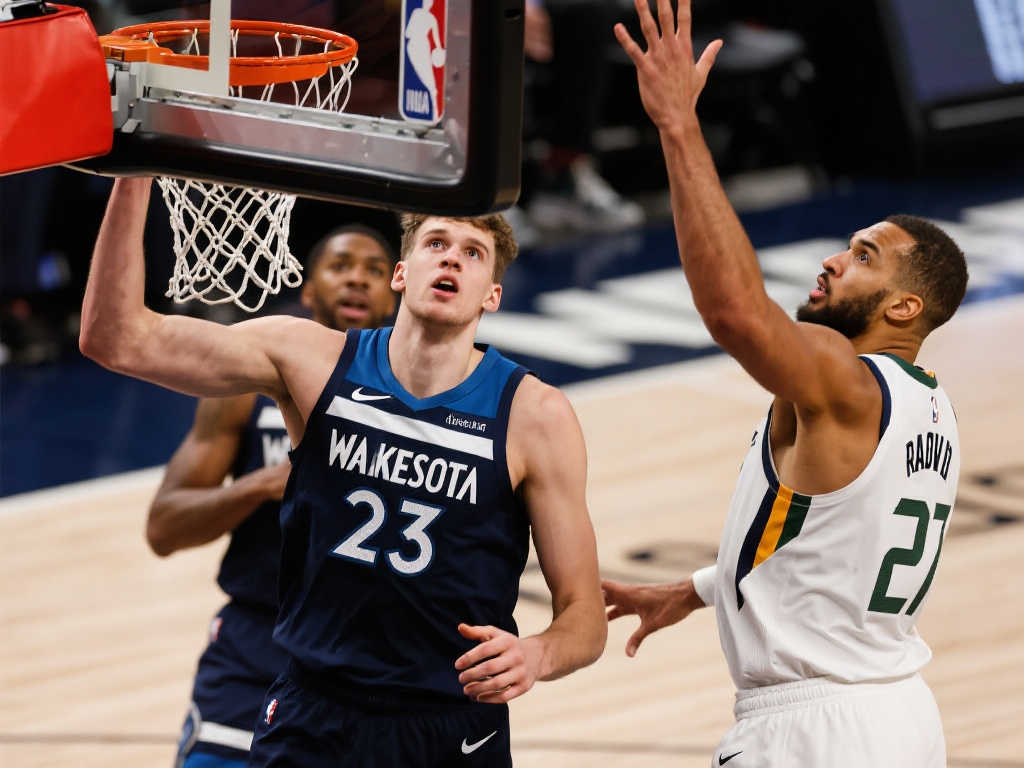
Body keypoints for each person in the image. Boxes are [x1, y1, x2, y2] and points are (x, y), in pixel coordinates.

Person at [80, 178, 607, 767]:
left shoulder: (536, 417)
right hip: (314, 711)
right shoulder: (310, 359)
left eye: (473, 252)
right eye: (436, 243)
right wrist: (133, 177)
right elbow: (116, 339)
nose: (452, 259)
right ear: (402, 273)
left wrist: (537, 654)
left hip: (450, 724)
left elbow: (584, 619)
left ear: (493, 294)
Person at [602, 1, 968, 766]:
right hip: (900, 715)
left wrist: (678, 125)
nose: (834, 260)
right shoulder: (929, 404)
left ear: (905, 307)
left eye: (863, 257)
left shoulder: (845, 377)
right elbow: (840, 546)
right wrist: (700, 589)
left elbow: (736, 313)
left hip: (816, 733)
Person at [146, 224, 398, 767]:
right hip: (256, 642)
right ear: (308, 290)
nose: (357, 278)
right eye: (340, 266)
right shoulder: (246, 388)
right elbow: (164, 527)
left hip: (366, 655)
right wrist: (261, 484)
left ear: (393, 295)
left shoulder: (419, 405)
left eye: (375, 270)